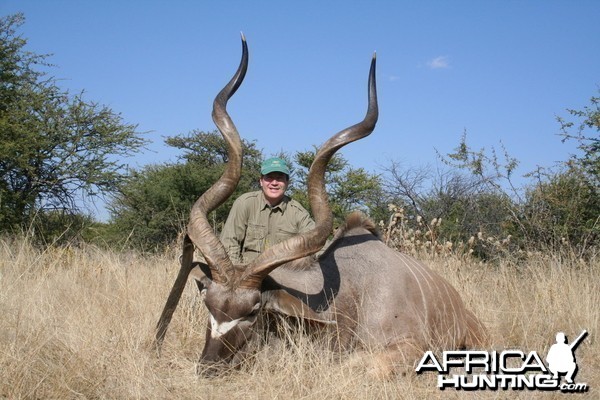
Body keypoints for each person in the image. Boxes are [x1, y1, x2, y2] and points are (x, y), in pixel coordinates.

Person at [219, 157, 315, 264]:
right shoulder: (244, 203)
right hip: (246, 275)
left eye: (279, 178)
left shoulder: (298, 212)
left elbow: (317, 244)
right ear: (261, 181)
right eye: (269, 178)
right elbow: (229, 244)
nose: (274, 183)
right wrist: (235, 274)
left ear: (287, 182)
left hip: (282, 278)